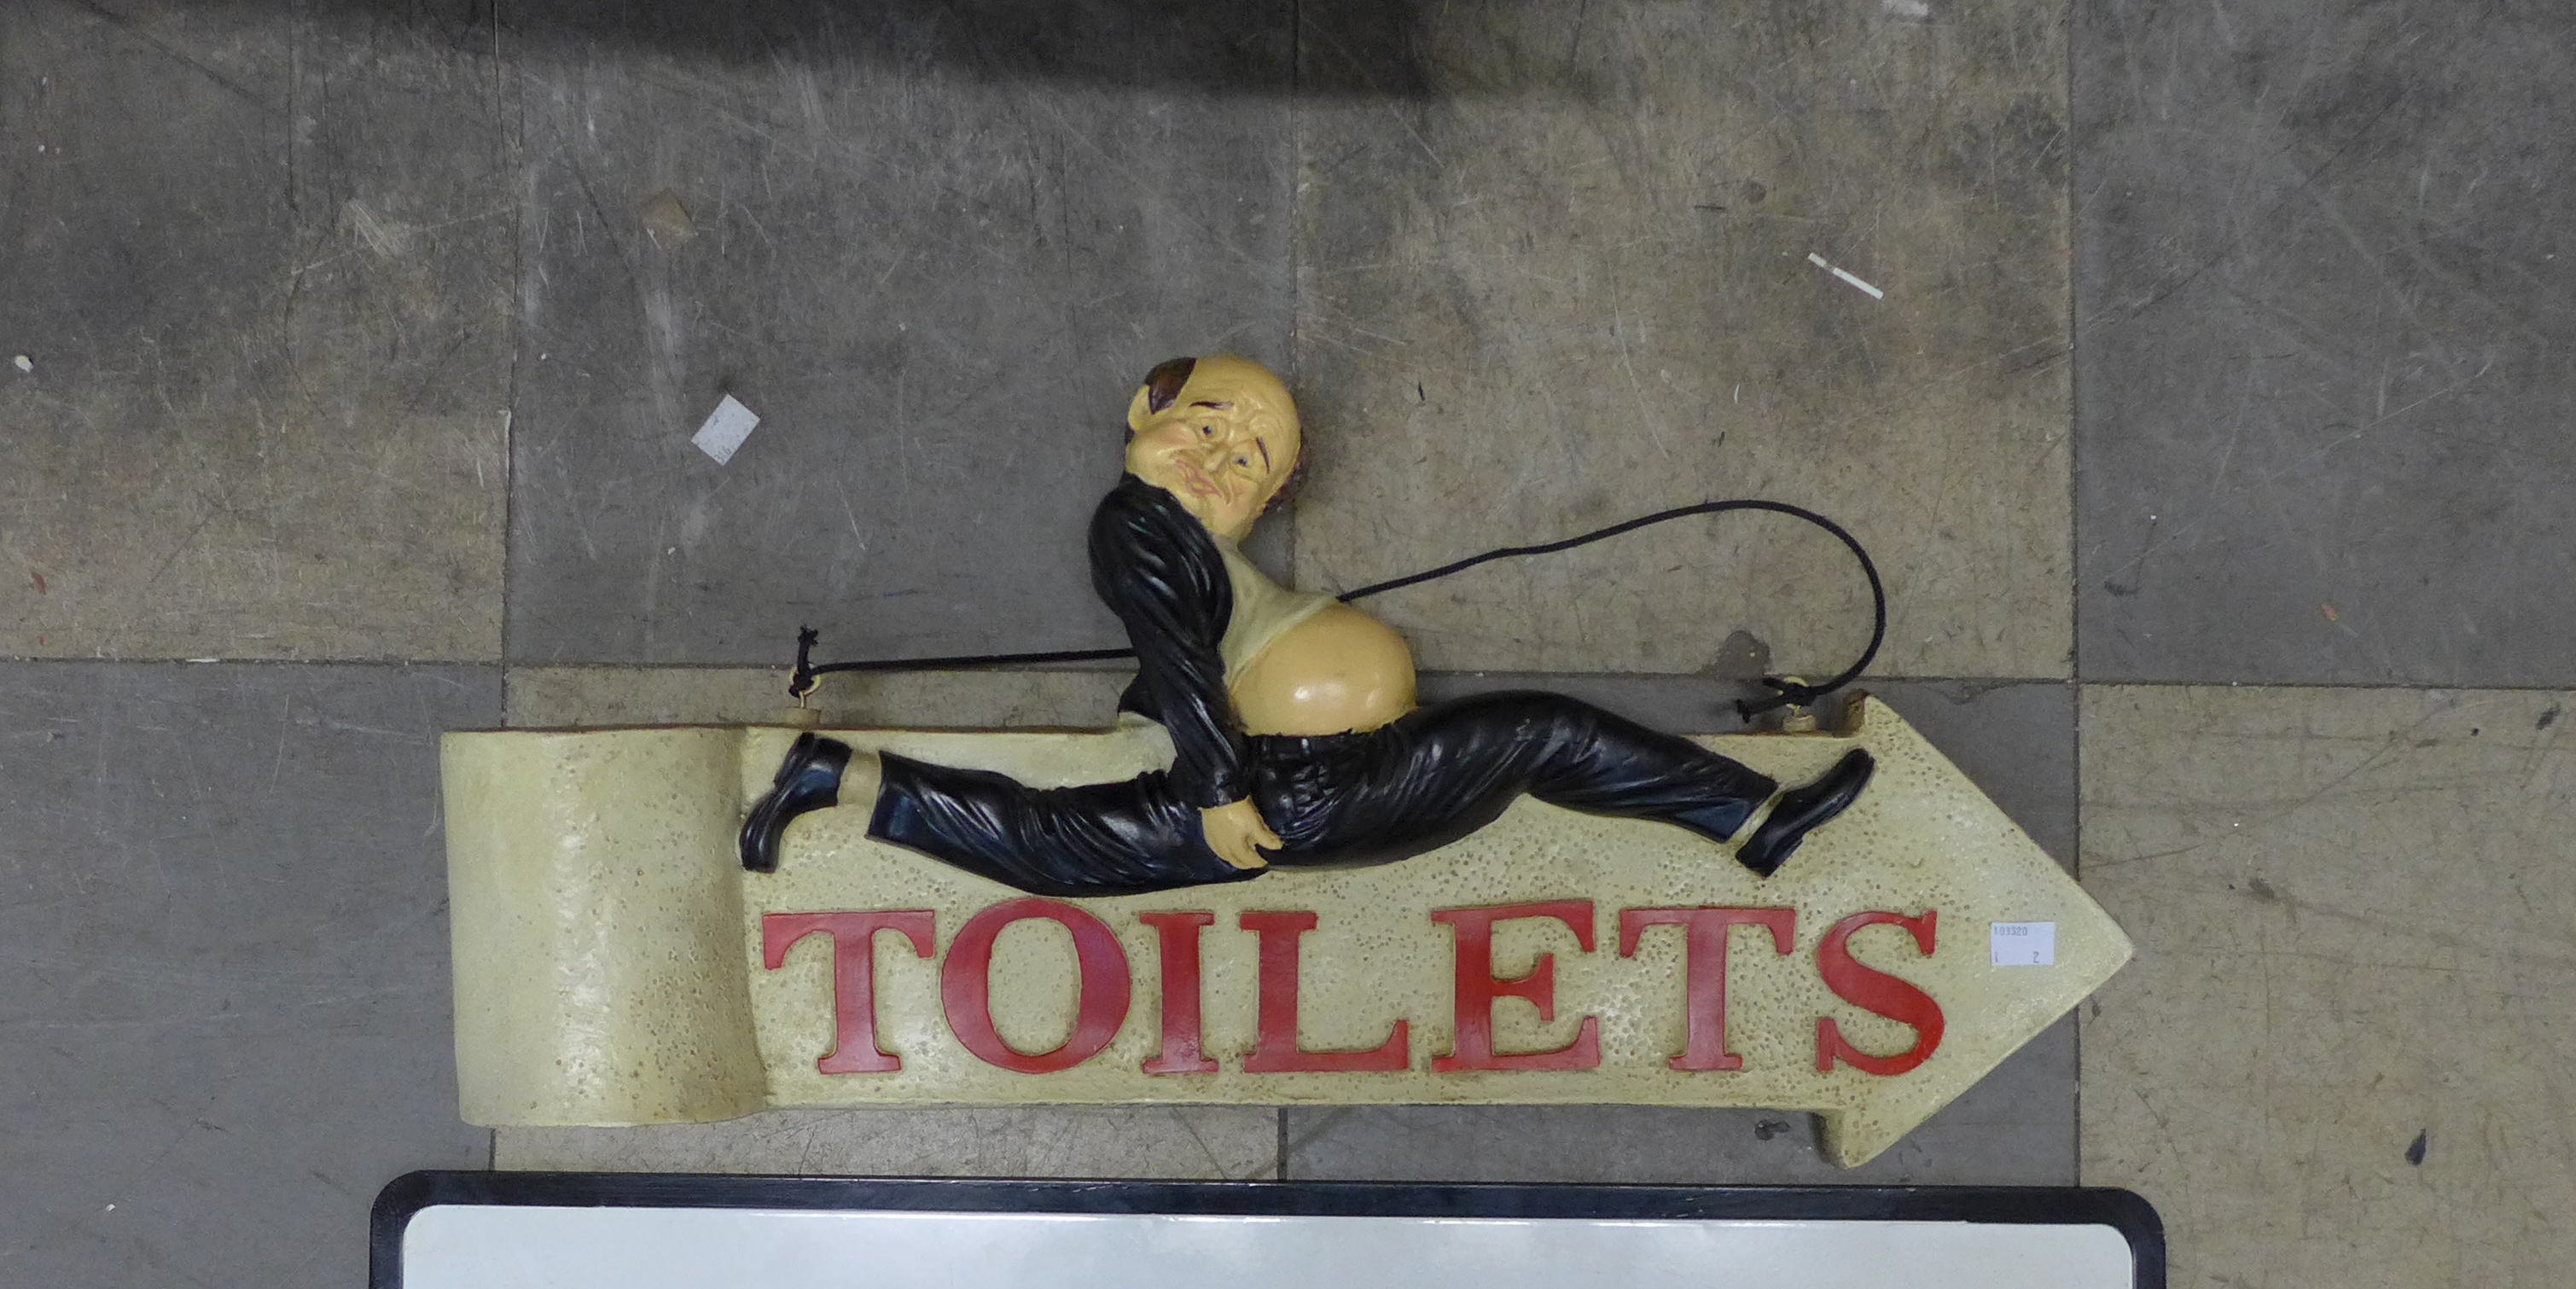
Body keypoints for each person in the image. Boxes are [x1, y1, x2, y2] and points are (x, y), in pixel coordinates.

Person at [738, 354, 1873, 898]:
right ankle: (1750, 821)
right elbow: (1178, 657)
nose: (1222, 460)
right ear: (1145, 410)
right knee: (1547, 732)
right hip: (1287, 792)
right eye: (1208, 427)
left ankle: (831, 774)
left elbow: (1182, 661)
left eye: (1251, 464)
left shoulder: (1197, 547)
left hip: (1325, 778)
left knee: (1055, 847)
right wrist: (1222, 793)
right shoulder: (1136, 524)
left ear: (1271, 502)